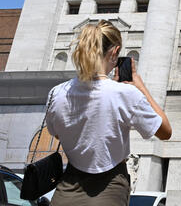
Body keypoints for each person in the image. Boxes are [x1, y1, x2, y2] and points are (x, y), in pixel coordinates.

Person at [46, 20, 172, 205]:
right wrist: (141, 87)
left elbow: (57, 133)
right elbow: (165, 132)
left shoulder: (57, 93)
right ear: (114, 52)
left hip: (68, 187)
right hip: (110, 186)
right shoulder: (126, 94)